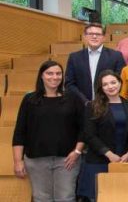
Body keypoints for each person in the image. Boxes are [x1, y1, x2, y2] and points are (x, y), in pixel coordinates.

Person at [12, 61, 84, 202]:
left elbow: (84, 128)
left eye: (58, 73)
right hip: (36, 160)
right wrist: (17, 161)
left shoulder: (73, 98)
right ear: (41, 76)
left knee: (66, 198)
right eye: (49, 73)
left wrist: (77, 151)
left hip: (67, 160)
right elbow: (20, 131)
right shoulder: (29, 100)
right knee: (41, 198)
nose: (54, 77)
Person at [78, 70, 128, 200]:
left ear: (120, 83)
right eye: (105, 84)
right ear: (101, 88)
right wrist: (109, 154)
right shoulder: (92, 106)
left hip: (123, 161)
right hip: (98, 162)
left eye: (113, 82)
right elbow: (89, 135)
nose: (110, 86)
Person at [66, 23, 126, 103]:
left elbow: (120, 81)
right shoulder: (74, 57)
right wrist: (85, 101)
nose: (94, 36)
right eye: (90, 34)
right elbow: (69, 84)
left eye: (98, 34)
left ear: (104, 37)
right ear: (85, 36)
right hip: (81, 106)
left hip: (108, 104)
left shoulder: (116, 56)